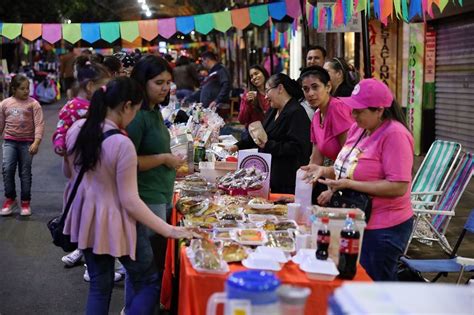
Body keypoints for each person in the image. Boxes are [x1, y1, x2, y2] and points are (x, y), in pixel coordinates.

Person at [62, 77, 193, 314]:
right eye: (136, 109)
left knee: (99, 288)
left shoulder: (76, 129)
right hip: (113, 223)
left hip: (84, 218)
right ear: (127, 106)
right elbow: (130, 201)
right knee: (148, 282)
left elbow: (68, 172)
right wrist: (170, 230)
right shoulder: (122, 144)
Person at [302, 78, 414, 281]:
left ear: (379, 110)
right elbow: (349, 169)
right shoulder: (358, 129)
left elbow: (398, 186)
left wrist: (348, 184)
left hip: (384, 227)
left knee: (375, 285)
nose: (353, 115)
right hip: (356, 220)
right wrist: (324, 170)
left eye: (359, 111)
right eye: (352, 109)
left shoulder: (395, 135)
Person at [127, 55, 186, 306]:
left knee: (149, 269)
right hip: (146, 198)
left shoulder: (152, 111)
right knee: (147, 270)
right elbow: (129, 161)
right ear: (143, 82)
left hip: (160, 195)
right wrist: (164, 159)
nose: (165, 88)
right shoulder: (138, 116)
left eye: (168, 83)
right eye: (159, 82)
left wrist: (170, 163)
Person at [53, 59, 110, 267]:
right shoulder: (73, 107)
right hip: (79, 166)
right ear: (89, 86)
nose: (106, 90)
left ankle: (88, 255)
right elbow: (60, 129)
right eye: (103, 86)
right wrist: (60, 144)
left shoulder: (101, 105)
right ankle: (83, 252)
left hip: (97, 164)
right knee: (83, 210)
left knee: (93, 214)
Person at [230, 73, 311, 194]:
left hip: (288, 181)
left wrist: (268, 145)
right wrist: (237, 146)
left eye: (267, 91)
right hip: (270, 176)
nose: (266, 96)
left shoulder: (296, 112)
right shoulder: (273, 110)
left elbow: (298, 148)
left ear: (280, 88)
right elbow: (260, 133)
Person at [0, 74, 44, 216]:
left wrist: (36, 142)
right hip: (9, 141)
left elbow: (39, 124)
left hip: (27, 143)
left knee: (25, 173)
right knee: (7, 169)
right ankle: (10, 199)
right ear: (13, 89)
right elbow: (1, 123)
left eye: (28, 88)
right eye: (22, 88)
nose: (26, 91)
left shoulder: (33, 104)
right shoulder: (5, 104)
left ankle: (25, 202)